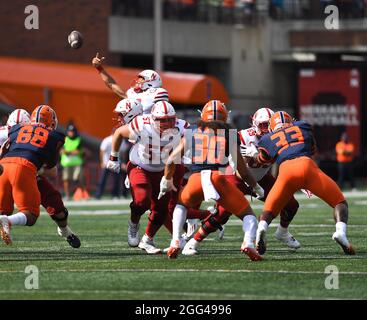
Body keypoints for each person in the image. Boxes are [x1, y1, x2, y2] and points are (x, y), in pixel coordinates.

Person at [183, 107, 300, 255]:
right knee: (222, 213)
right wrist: (245, 155)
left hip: (262, 178)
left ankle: (283, 232)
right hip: (237, 177)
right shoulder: (243, 136)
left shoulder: (278, 137)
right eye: (262, 125)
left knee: (291, 204)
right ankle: (194, 241)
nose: (266, 129)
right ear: (255, 124)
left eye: (268, 125)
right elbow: (229, 160)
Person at [158, 100, 264, 261]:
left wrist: (166, 180)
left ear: (203, 115)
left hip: (195, 179)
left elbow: (172, 159)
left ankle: (176, 240)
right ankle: (248, 243)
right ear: (225, 117)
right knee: (249, 216)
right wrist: (256, 187)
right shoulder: (230, 134)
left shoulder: (191, 131)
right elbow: (242, 170)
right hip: (217, 178)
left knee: (181, 205)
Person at [253, 111, 355, 256]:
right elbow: (312, 149)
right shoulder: (302, 127)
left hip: (286, 171)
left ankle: (262, 227)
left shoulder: (268, 138)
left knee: (269, 210)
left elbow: (263, 159)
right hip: (306, 166)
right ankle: (340, 233)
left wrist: (254, 156)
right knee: (339, 202)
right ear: (291, 121)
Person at [107, 100, 189, 254]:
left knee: (161, 209)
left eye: (170, 119)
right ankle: (133, 223)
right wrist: (113, 156)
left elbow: (189, 145)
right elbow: (118, 133)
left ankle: (147, 239)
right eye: (162, 120)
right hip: (140, 166)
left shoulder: (182, 127)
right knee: (142, 200)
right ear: (153, 119)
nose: (167, 123)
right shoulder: (142, 124)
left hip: (162, 170)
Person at [0, 108, 80, 248]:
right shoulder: (52, 135)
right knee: (30, 214)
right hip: (25, 168)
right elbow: (52, 170)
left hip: (8, 168)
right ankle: (8, 220)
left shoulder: (14, 131)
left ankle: (66, 232)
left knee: (55, 204)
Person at [92, 53, 169, 114]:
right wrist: (99, 68)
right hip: (134, 129)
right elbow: (112, 85)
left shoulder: (158, 93)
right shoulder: (132, 93)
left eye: (142, 78)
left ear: (152, 81)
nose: (138, 80)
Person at [95, 128, 130, 199]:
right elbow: (102, 151)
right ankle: (98, 194)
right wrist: (102, 162)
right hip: (108, 162)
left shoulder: (120, 140)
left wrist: (122, 162)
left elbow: (123, 152)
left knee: (116, 179)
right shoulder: (108, 140)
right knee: (103, 179)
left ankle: (115, 194)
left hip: (116, 162)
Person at [60, 123, 89, 200]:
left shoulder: (79, 139)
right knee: (66, 179)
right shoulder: (64, 139)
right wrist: (70, 152)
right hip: (66, 163)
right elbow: (61, 150)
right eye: (70, 131)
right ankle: (67, 195)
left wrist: (68, 152)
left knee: (79, 179)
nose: (71, 132)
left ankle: (83, 194)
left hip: (77, 163)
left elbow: (80, 151)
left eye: (72, 131)